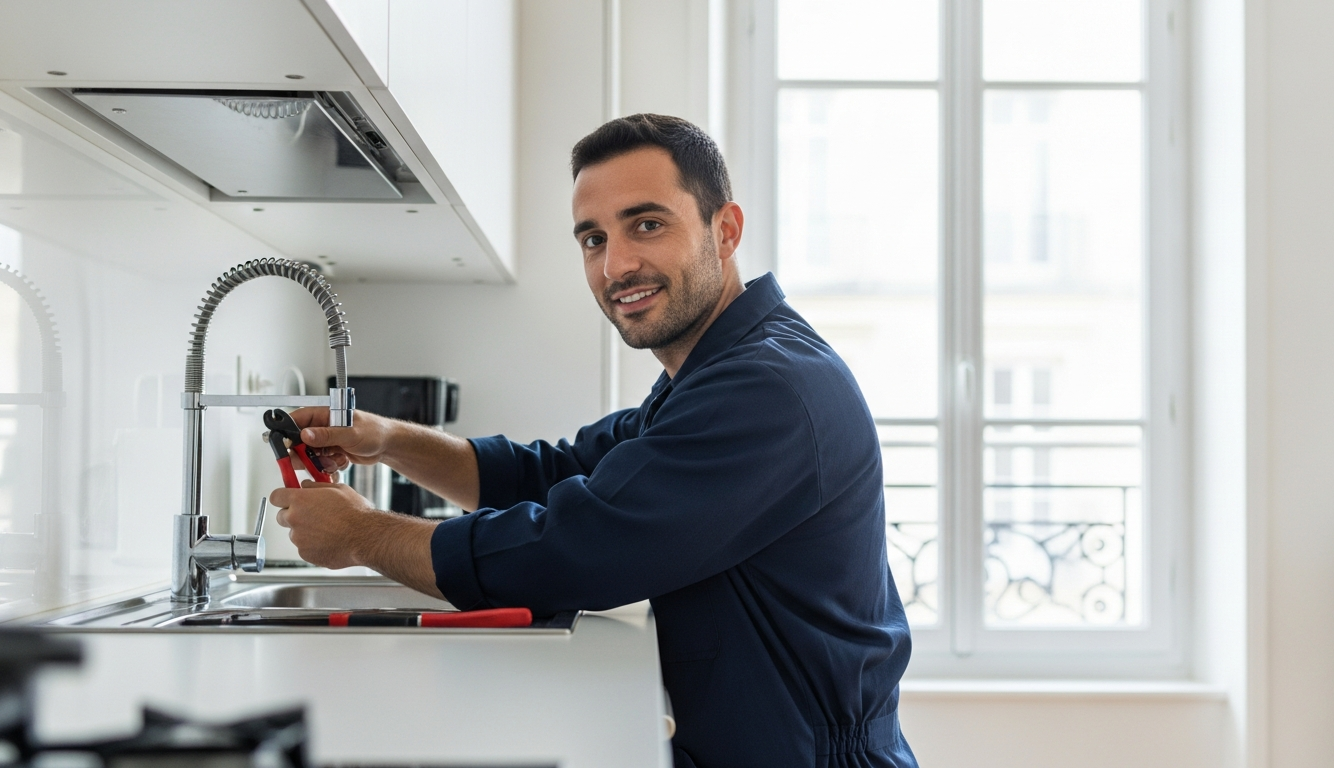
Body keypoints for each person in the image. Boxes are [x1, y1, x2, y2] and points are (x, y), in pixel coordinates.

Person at [269, 113, 917, 768]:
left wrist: (362, 534)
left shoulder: (766, 389)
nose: (616, 264)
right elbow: (547, 475)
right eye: (592, 238)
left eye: (647, 225)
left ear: (725, 231)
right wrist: (387, 439)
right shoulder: (711, 376)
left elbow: (574, 551)